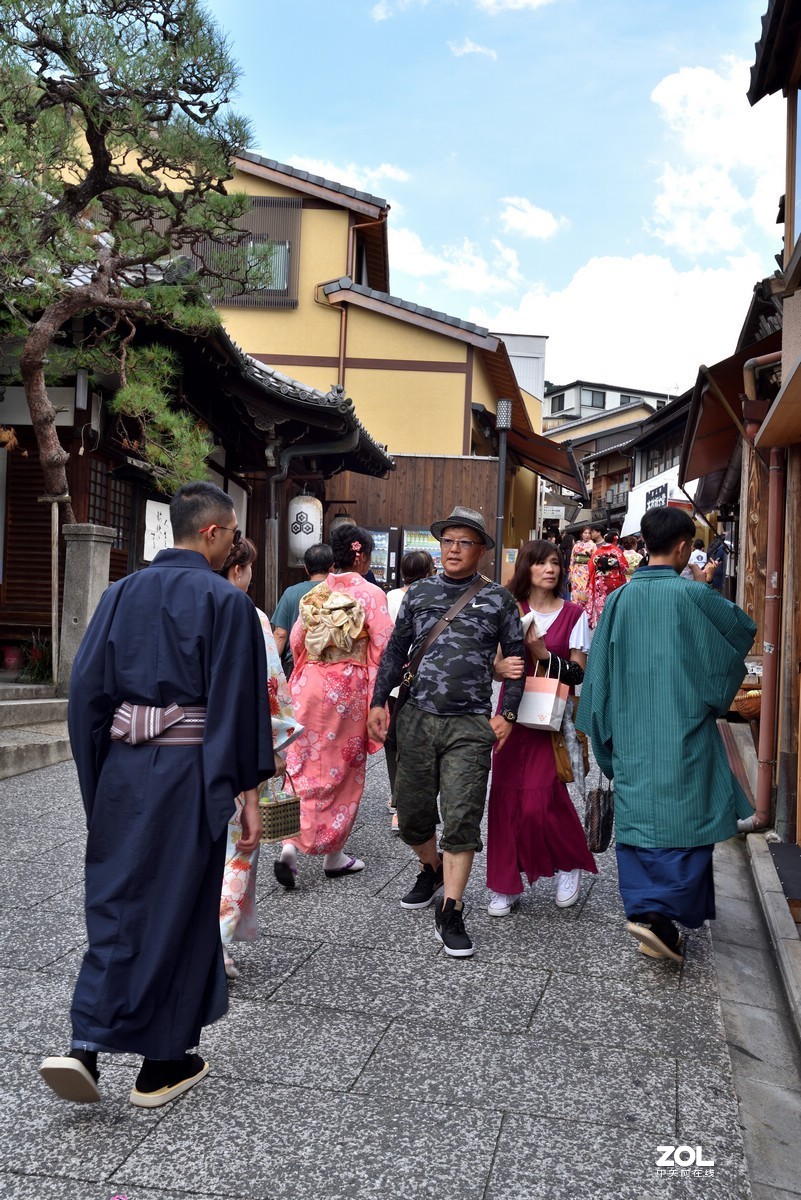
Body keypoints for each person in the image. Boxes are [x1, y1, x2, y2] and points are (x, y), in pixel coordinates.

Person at [40, 482, 274, 1107]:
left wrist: (102, 778)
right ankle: (160, 1064)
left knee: (116, 901)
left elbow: (86, 696)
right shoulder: (226, 603)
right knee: (182, 905)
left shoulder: (119, 594)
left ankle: (85, 1045)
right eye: (231, 536)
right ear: (214, 533)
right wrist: (247, 790)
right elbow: (237, 704)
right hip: (188, 772)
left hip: (123, 766)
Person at [577, 506, 757, 963]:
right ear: (683, 548)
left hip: (632, 733)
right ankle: (660, 918)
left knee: (639, 824)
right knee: (688, 820)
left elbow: (597, 678)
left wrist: (601, 737)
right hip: (684, 729)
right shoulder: (693, 596)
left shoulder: (618, 601)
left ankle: (647, 913)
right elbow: (742, 631)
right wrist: (701, 588)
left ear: (644, 546)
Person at [367, 505, 525, 958]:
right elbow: (396, 649)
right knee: (413, 817)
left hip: (470, 724)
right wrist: (378, 701)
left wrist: (507, 714)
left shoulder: (498, 600)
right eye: (448, 541)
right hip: (415, 716)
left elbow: (515, 660)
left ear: (480, 551)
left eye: (464, 543)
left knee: (461, 817)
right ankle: (431, 868)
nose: (453, 549)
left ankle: (451, 909)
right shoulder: (419, 594)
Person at [273, 524, 394, 887]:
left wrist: (305, 672)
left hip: (309, 683)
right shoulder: (371, 594)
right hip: (347, 689)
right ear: (362, 556)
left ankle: (289, 848)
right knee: (344, 768)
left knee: (302, 763)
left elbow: (297, 640)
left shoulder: (316, 592)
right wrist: (378, 695)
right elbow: (382, 647)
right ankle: (333, 854)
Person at [488, 540, 596, 916]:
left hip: (551, 718)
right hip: (511, 715)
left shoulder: (574, 615)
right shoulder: (508, 608)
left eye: (555, 563)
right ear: (527, 568)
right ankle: (505, 883)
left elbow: (579, 673)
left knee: (544, 799)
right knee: (504, 797)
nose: (550, 569)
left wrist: (544, 656)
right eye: (540, 563)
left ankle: (568, 863)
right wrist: (497, 669)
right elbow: (491, 661)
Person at [218, 536, 301, 979]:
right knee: (239, 848)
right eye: (248, 568)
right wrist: (274, 748)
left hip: (178, 751)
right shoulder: (250, 616)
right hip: (238, 750)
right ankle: (217, 942)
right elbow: (271, 689)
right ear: (238, 571)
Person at [384, 549, 436, 834]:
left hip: (395, 677)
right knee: (414, 741)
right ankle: (405, 805)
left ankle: (396, 797)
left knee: (393, 739)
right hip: (423, 676)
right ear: (429, 571)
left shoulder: (391, 596)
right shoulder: (431, 595)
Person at [272, 543, 334, 677]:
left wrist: (271, 668)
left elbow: (280, 634)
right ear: (332, 568)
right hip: (332, 667)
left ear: (306, 568)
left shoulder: (291, 592)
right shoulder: (339, 593)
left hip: (296, 665)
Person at [584, 528, 628, 629]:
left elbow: (591, 566)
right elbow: (624, 567)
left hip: (600, 580)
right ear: (615, 540)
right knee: (614, 601)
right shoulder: (617, 551)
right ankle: (613, 623)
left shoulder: (597, 551)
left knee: (601, 602)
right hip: (614, 580)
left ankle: (602, 624)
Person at [567, 526, 595, 608]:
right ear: (581, 534)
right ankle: (574, 608)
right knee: (575, 589)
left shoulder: (593, 546)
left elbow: (594, 559)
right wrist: (570, 572)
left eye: (589, 533)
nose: (587, 535)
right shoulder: (576, 545)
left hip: (587, 570)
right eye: (585, 533)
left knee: (585, 590)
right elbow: (572, 559)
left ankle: (585, 609)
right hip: (576, 570)